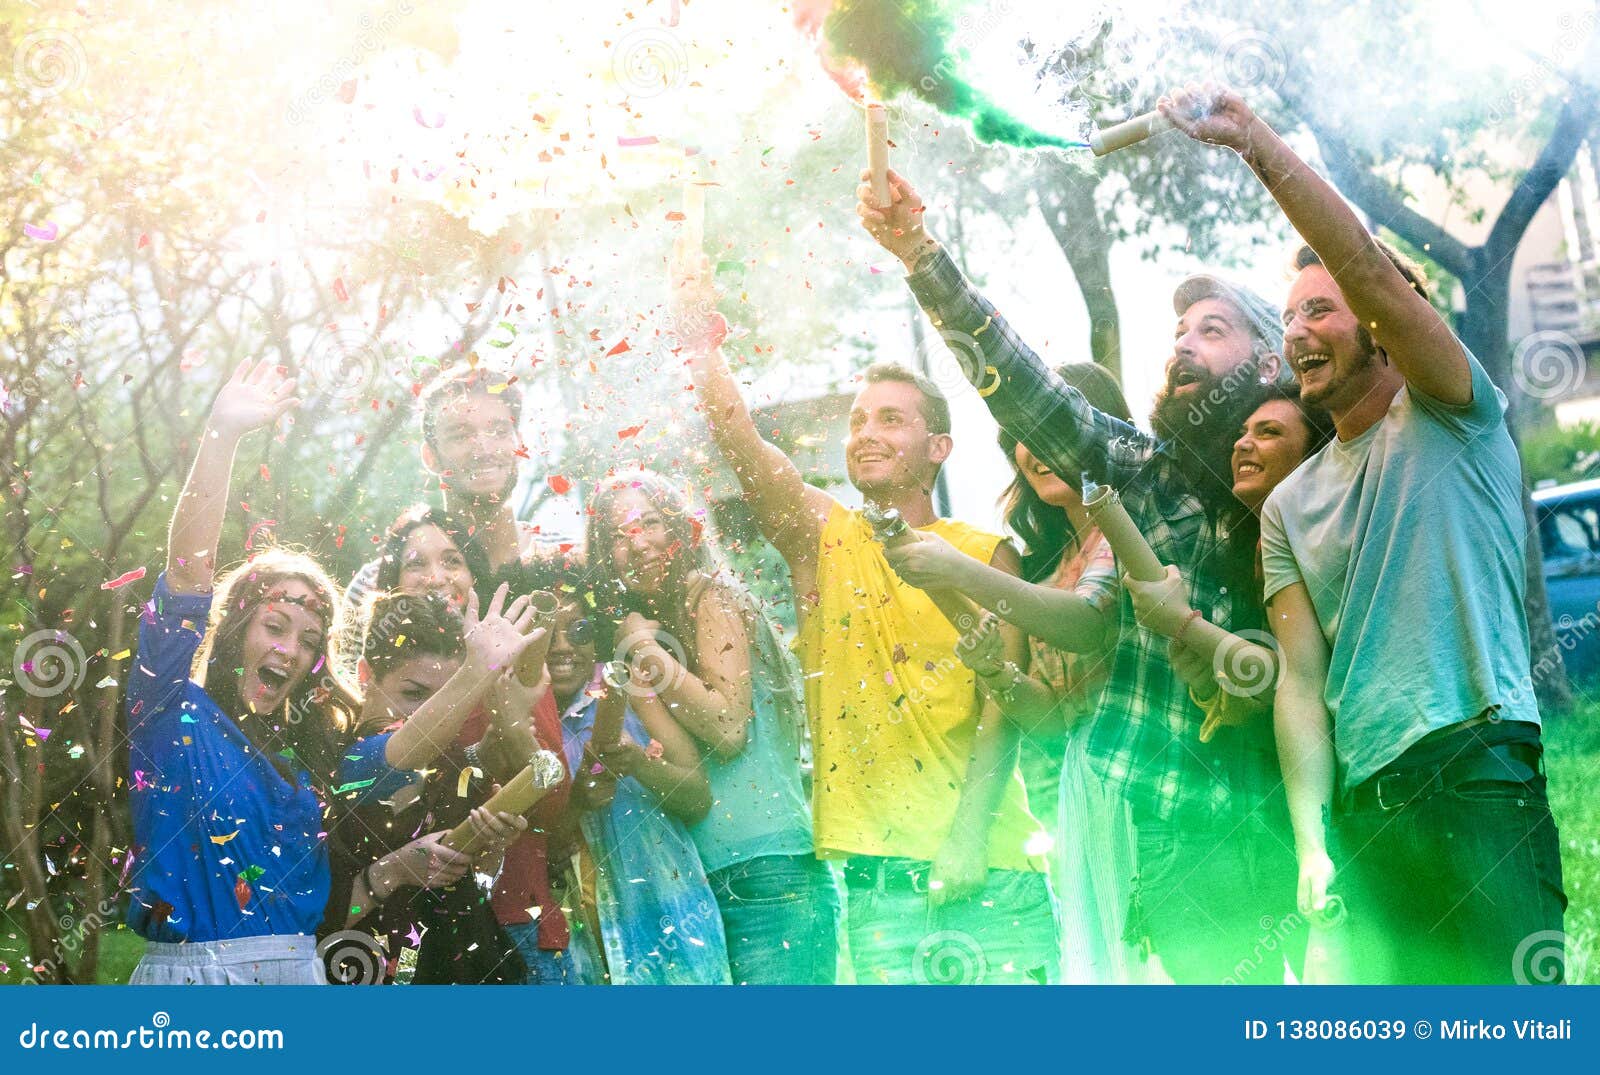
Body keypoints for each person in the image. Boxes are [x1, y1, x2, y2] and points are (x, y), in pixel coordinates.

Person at [1161, 82, 1566, 983]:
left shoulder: (1453, 412)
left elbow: (1374, 273)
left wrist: (1259, 147)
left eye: (1322, 307)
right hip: (1365, 809)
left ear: (1385, 323)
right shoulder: (1286, 508)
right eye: (1291, 315)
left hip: (1480, 774)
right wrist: (1312, 843)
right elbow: (1300, 685)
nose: (1297, 329)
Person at [858, 168, 1302, 984]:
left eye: (1211, 329)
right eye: (1178, 334)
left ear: (1271, 360)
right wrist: (920, 253)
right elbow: (1027, 391)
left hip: (1308, 812)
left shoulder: (1318, 479)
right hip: (1182, 824)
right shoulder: (1152, 478)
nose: (1182, 346)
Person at [676, 253, 1058, 985]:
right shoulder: (823, 539)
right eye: (857, 421)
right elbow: (745, 448)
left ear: (938, 449)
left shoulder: (986, 556)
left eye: (891, 418)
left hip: (995, 872)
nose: (867, 432)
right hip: (882, 889)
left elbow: (1002, 711)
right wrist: (704, 351)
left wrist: (970, 838)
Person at [877, 363, 1143, 984]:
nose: (1033, 448)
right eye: (1021, 431)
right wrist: (997, 673)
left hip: (1147, 777)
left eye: (1052, 426)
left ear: (1101, 428)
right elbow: (1051, 723)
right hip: (1085, 792)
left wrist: (958, 571)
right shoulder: (1048, 561)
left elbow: (1086, 623)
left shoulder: (1132, 528)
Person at [125, 359, 349, 984]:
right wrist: (221, 438)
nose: (290, 650)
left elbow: (397, 753)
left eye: (308, 641)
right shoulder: (170, 711)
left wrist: (477, 671)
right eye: (274, 627)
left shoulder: (307, 752)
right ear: (234, 635)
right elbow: (190, 576)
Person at [586, 470, 839, 984]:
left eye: (651, 524)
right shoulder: (658, 624)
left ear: (681, 529)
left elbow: (728, 730)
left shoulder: (711, 596)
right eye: (618, 536)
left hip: (771, 874)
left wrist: (641, 645)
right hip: (706, 883)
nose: (638, 545)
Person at [342, 504, 574, 983]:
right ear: (366, 676)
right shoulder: (351, 749)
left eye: (452, 560)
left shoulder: (499, 672)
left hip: (481, 947)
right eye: (414, 695)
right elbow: (400, 760)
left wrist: (507, 727)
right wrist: (477, 674)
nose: (436, 577)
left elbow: (541, 792)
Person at [534, 568, 732, 985]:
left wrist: (639, 763)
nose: (563, 646)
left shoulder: (627, 685)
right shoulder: (521, 714)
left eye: (579, 630)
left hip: (669, 914)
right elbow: (536, 851)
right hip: (584, 937)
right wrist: (580, 801)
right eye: (547, 634)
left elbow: (698, 797)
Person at [323, 590, 528, 984]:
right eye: (413, 695)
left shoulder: (456, 764)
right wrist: (394, 872)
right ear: (366, 676)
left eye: (447, 696)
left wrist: (491, 844)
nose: (431, 714)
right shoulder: (347, 759)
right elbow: (321, 918)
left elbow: (476, 887)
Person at [1125, 385, 1334, 742]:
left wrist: (1181, 623)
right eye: (1242, 433)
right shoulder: (1250, 547)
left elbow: (1296, 676)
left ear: (1314, 452)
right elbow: (1264, 692)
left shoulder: (1322, 542)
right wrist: (1207, 683)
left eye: (1269, 432)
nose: (1242, 444)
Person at [338, 365, 571, 676]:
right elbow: (355, 701)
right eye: (461, 435)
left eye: (499, 431)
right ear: (430, 457)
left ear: (519, 444)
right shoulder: (377, 585)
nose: (484, 448)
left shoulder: (567, 563)